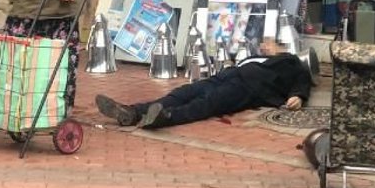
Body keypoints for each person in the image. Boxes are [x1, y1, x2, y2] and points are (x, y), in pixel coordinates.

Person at [96, 40, 312, 129]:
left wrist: (298, 96)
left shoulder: (291, 62)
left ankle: (164, 118)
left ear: (282, 47)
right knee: (183, 92)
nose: (265, 45)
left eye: (270, 43)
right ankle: (132, 112)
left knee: (208, 103)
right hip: (227, 76)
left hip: (248, 87)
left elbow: (302, 81)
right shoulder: (255, 58)